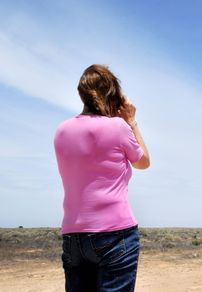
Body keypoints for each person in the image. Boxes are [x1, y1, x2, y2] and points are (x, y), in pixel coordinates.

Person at [54, 64, 150, 292]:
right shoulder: (118, 127)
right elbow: (143, 161)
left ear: (81, 94)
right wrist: (131, 121)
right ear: (112, 95)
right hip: (115, 234)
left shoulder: (61, 131)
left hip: (73, 235)